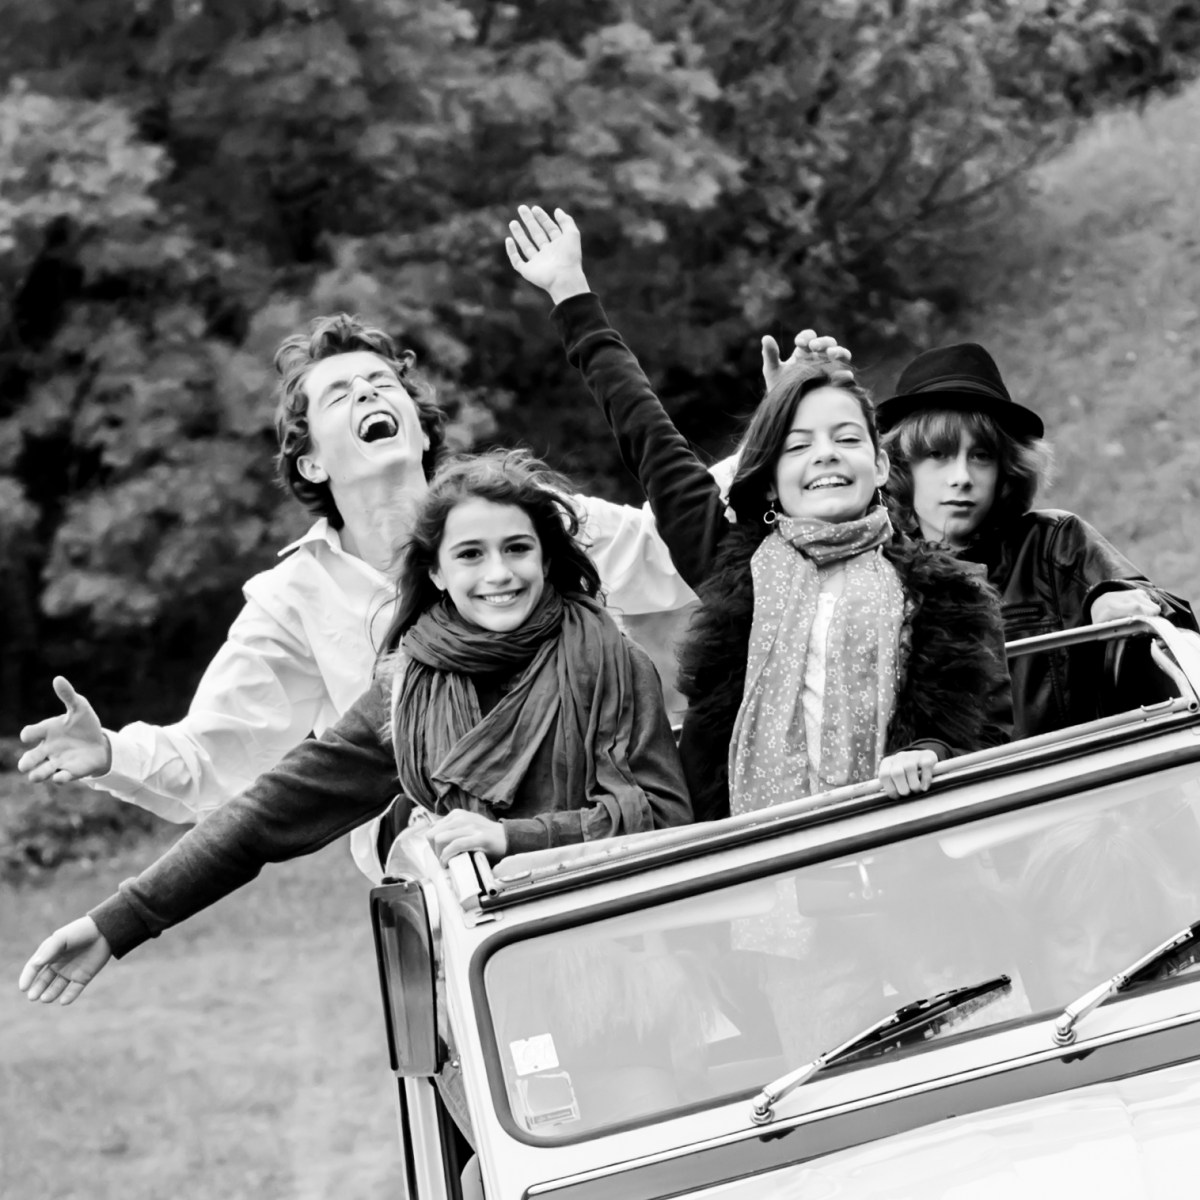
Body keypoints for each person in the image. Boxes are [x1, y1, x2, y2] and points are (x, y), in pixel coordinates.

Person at [16, 314, 707, 880]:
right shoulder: (293, 599)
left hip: (595, 834)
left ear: (420, 426)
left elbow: (675, 543)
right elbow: (214, 758)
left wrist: (767, 457)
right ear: (312, 460)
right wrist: (111, 753)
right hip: (445, 884)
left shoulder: (520, 518)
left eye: (381, 383)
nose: (369, 395)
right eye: (340, 395)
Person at [19, 449, 693, 1007]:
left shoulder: (611, 661)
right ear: (435, 571)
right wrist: (115, 923)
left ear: (545, 558)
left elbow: (663, 817)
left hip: (631, 978)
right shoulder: (407, 692)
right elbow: (266, 814)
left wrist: (510, 839)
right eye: (470, 554)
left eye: (517, 548)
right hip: (489, 992)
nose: (498, 573)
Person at [506, 205, 1011, 822]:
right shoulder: (732, 562)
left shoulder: (947, 591)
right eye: (798, 445)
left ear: (881, 465)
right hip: (754, 856)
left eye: (846, 438)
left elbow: (978, 724)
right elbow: (648, 434)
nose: (825, 454)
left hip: (895, 843)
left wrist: (928, 752)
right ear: (769, 476)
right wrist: (570, 291)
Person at [872, 341, 1196, 736]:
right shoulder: (878, 570)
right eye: (938, 454)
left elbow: (1172, 621)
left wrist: (1108, 598)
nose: (961, 477)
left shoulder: (1054, 542)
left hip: (1071, 771)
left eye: (980, 456)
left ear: (1006, 468)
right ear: (901, 464)